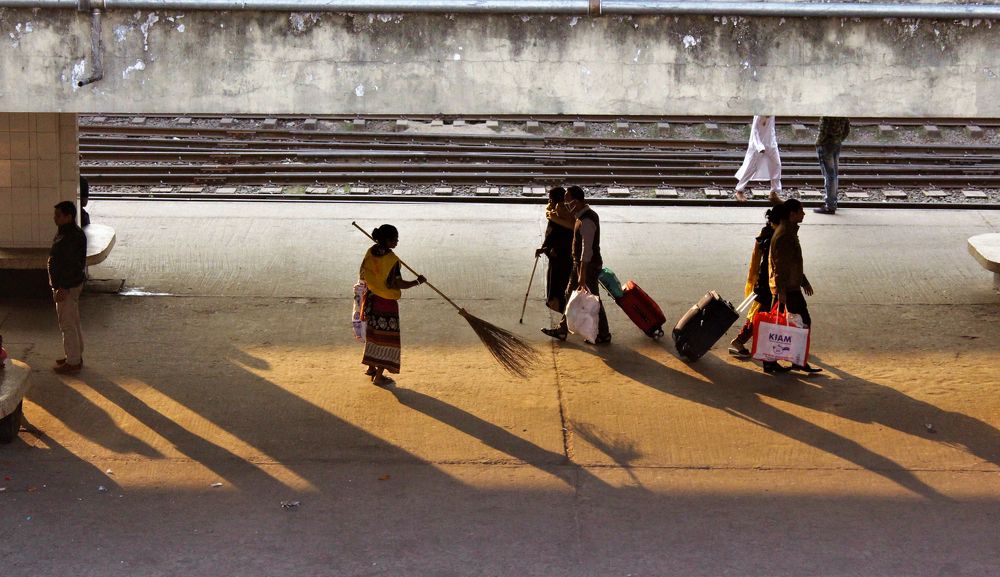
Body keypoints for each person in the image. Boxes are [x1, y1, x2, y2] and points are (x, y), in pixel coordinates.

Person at [541, 186, 611, 344]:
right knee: (569, 295)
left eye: (567, 202)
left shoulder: (587, 220)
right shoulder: (581, 216)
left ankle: (604, 334)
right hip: (578, 265)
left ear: (576, 201)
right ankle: (562, 329)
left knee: (593, 299)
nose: (565, 205)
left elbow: (587, 250)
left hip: (587, 266)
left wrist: (582, 274)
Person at [359, 224, 426, 387]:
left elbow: (362, 272)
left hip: (371, 300)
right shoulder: (391, 260)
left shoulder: (371, 251)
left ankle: (371, 368)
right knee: (387, 340)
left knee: (373, 336)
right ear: (387, 240)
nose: (397, 241)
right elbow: (398, 284)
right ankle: (379, 377)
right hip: (386, 303)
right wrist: (417, 282)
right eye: (395, 239)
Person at [768, 199, 822, 374]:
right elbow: (782, 265)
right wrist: (782, 291)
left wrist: (803, 281)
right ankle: (794, 360)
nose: (804, 214)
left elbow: (793, 263)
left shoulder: (787, 232)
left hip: (789, 286)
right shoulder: (785, 235)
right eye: (801, 211)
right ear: (792, 214)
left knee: (781, 324)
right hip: (788, 288)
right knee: (801, 322)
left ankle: (781, 360)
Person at [730, 205, 783, 373]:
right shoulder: (774, 236)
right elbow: (771, 265)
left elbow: (756, 261)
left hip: (763, 282)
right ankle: (739, 341)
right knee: (760, 315)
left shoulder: (766, 232)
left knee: (762, 314)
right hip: (767, 284)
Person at [49, 201, 88, 374]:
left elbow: (69, 265)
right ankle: (75, 355)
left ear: (68, 217)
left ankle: (73, 361)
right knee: (73, 320)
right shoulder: (71, 233)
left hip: (67, 286)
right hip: (72, 284)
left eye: (58, 215)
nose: (54, 218)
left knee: (67, 323)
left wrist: (61, 287)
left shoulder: (69, 238)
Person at [535, 186, 575, 314]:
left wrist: (549, 249)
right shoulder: (565, 212)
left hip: (560, 257)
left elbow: (557, 236)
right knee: (563, 285)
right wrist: (544, 248)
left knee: (558, 286)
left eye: (550, 198)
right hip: (563, 256)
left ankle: (561, 312)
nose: (549, 201)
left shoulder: (557, 215)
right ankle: (562, 312)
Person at [734, 115, 782, 204]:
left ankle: (774, 193)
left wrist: (773, 142)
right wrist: (759, 146)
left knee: (776, 165)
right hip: (757, 145)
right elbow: (754, 131)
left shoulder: (772, 111)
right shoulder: (759, 113)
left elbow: (771, 127)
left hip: (770, 144)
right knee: (750, 167)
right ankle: (739, 191)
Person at [813, 117, 851, 215]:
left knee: (829, 175)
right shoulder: (842, 111)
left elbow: (823, 129)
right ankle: (833, 202)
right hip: (836, 143)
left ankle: (830, 205)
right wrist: (839, 139)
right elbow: (847, 129)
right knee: (834, 175)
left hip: (826, 144)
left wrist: (818, 142)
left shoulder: (827, 113)